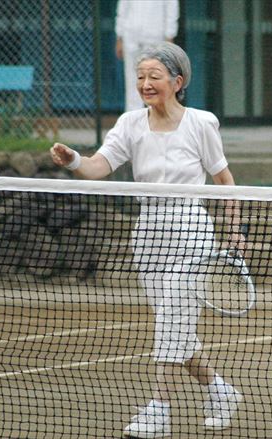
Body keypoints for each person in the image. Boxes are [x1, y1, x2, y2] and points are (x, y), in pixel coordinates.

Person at [51, 42, 244, 438]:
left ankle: (158, 409)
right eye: (141, 77)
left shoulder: (201, 123)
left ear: (177, 81)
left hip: (191, 230)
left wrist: (235, 229)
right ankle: (221, 390)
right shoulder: (130, 124)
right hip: (149, 234)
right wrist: (73, 159)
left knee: (172, 319)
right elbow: (98, 167)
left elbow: (225, 181)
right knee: (175, 326)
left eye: (154, 77)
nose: (145, 84)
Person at [116, 0, 180, 112]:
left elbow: (171, 9)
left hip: (155, 38)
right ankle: (134, 120)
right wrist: (120, 36)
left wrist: (169, 36)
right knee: (132, 81)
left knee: (156, 80)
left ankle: (157, 119)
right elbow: (123, 9)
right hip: (131, 37)